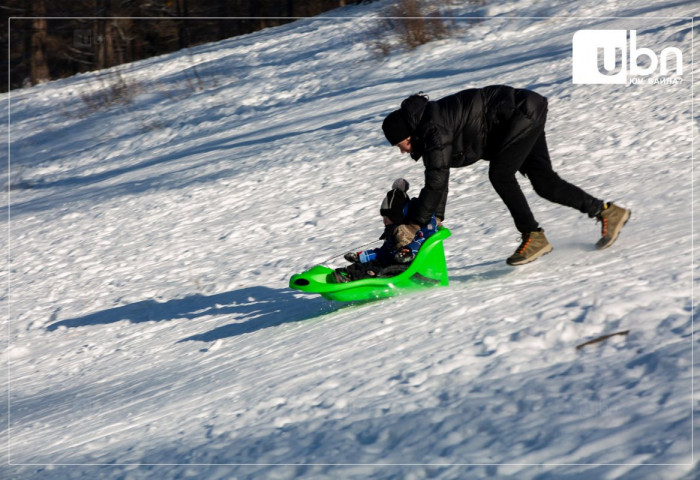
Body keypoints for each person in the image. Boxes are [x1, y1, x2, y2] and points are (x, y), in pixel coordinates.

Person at [381, 85, 631, 266]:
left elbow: (437, 180)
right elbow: (439, 175)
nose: (402, 151)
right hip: (523, 112)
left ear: (408, 134)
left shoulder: (433, 129)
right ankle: (607, 211)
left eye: (400, 144)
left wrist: (414, 226)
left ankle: (533, 236)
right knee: (545, 182)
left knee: (500, 175)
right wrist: (436, 217)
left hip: (520, 113)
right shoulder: (429, 128)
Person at [334, 178, 438, 283]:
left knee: (375, 269)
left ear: (397, 217)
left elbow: (422, 241)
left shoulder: (407, 231)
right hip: (390, 262)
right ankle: (348, 274)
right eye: (383, 217)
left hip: (403, 268)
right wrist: (361, 256)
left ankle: (353, 280)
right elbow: (384, 252)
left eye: (387, 218)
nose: (384, 221)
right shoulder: (393, 230)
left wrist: (409, 251)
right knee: (371, 264)